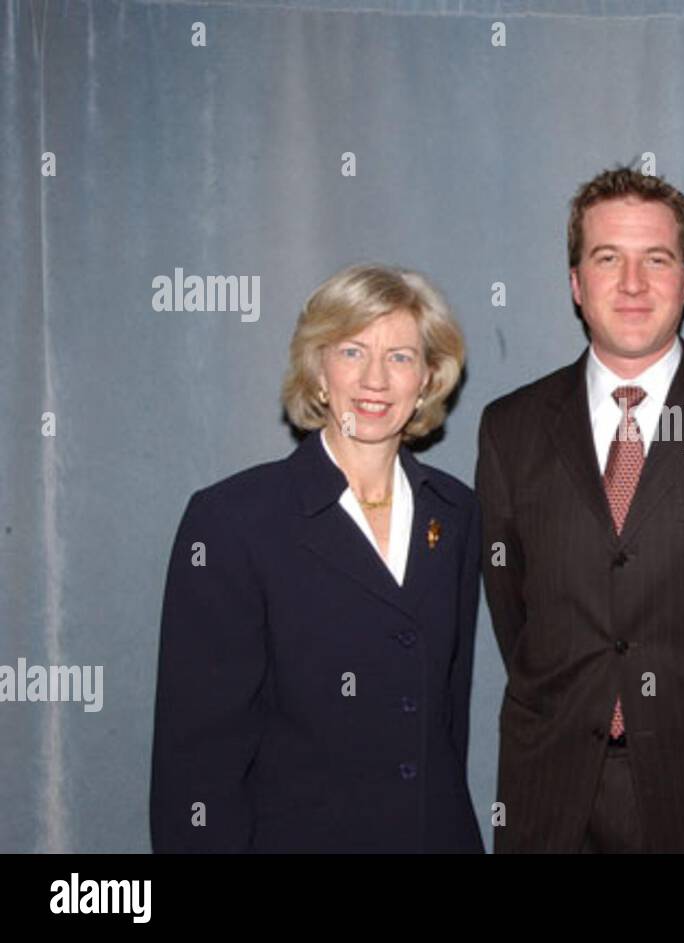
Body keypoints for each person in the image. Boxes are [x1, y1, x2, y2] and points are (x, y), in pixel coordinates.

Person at [476, 167, 684, 852]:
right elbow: (516, 615)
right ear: (576, 282)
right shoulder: (509, 428)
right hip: (551, 793)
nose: (632, 283)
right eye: (608, 258)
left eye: (656, 259)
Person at [150, 263, 483, 853]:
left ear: (429, 379)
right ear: (319, 370)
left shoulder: (454, 514)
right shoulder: (233, 521)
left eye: (401, 356)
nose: (376, 379)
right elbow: (197, 761)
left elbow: (446, 726)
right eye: (353, 351)